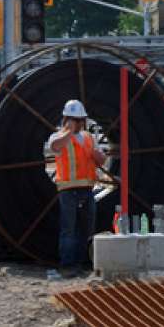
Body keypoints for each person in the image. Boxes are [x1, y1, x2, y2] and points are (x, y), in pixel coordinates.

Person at [46, 98, 106, 274]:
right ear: (67, 119)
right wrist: (69, 132)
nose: (80, 123)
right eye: (76, 119)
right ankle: (68, 264)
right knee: (69, 229)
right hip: (67, 191)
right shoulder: (58, 136)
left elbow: (102, 159)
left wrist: (97, 155)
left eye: (81, 120)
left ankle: (83, 262)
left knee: (87, 228)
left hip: (87, 190)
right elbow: (54, 147)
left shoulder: (88, 138)